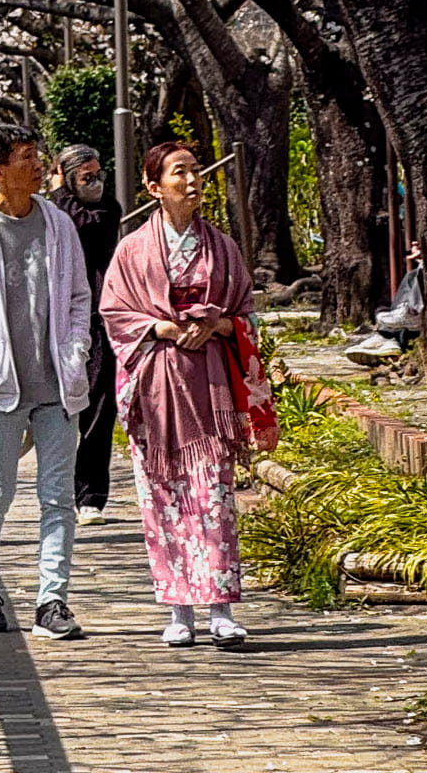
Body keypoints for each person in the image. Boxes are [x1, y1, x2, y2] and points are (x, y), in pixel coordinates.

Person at [100, 141, 263, 648]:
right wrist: (162, 329)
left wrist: (219, 324)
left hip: (209, 379)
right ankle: (178, 610)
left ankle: (220, 605)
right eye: (179, 173)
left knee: (215, 496)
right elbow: (115, 314)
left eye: (196, 171)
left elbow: (247, 315)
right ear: (154, 187)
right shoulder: (131, 250)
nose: (192, 181)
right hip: (157, 384)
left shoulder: (224, 248)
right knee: (162, 496)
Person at [0, 123, 94, 640]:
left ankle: (53, 600)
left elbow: (78, 298)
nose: (38, 164)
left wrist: (75, 349)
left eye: (37, 154)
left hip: (57, 385)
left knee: (57, 497)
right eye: (26, 157)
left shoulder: (57, 224)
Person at [52, 143, 123, 523]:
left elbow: (84, 225)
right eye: (86, 177)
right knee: (59, 409)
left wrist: (60, 193)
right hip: (57, 317)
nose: (96, 183)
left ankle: (90, 493)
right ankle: (60, 488)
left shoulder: (108, 209)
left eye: (99, 175)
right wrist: (60, 193)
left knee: (99, 406)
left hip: (98, 316)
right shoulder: (50, 210)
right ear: (67, 179)